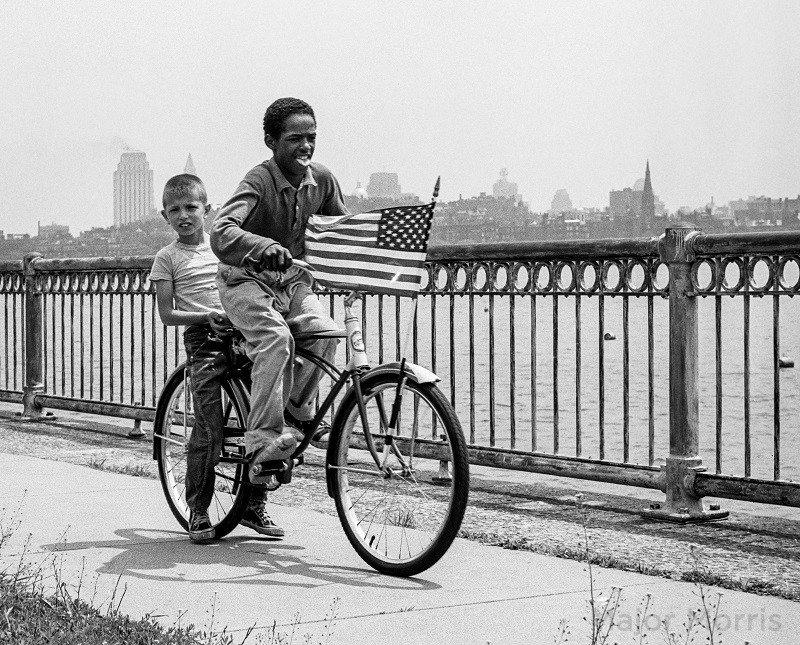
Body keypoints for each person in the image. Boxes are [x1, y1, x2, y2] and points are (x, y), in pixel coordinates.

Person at [210, 97, 343, 481]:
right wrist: (262, 245)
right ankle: (262, 442)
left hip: (292, 282)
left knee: (325, 332)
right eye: (295, 139)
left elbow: (341, 231)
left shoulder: (322, 180)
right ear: (271, 142)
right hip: (245, 281)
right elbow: (221, 232)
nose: (306, 146)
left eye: (311, 137)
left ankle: (297, 413)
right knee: (275, 339)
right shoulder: (258, 180)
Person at [150, 174, 284, 542]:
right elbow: (167, 314)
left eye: (191, 207)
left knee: (265, 413)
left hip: (240, 333)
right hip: (204, 339)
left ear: (207, 210)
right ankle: (198, 508)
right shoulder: (167, 258)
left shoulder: (223, 248)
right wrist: (206, 316)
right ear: (165, 216)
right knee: (209, 426)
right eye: (175, 210)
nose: (184, 215)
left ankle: (254, 503)